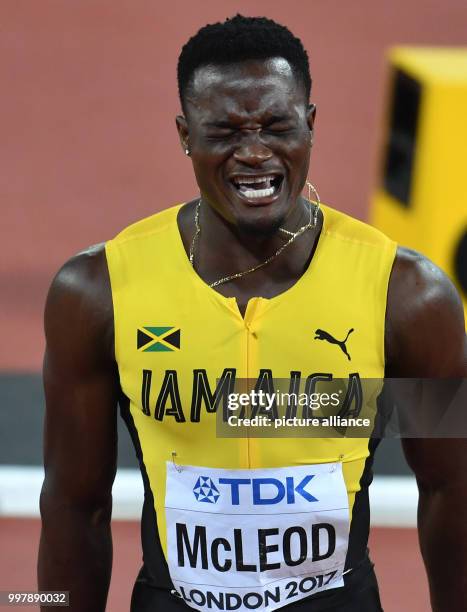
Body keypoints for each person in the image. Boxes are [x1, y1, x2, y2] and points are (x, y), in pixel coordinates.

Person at [38, 15, 467, 612]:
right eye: (225, 131)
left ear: (311, 126)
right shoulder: (99, 291)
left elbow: (452, 490)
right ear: (186, 136)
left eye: (276, 125)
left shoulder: (407, 297)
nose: (255, 153)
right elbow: (71, 505)